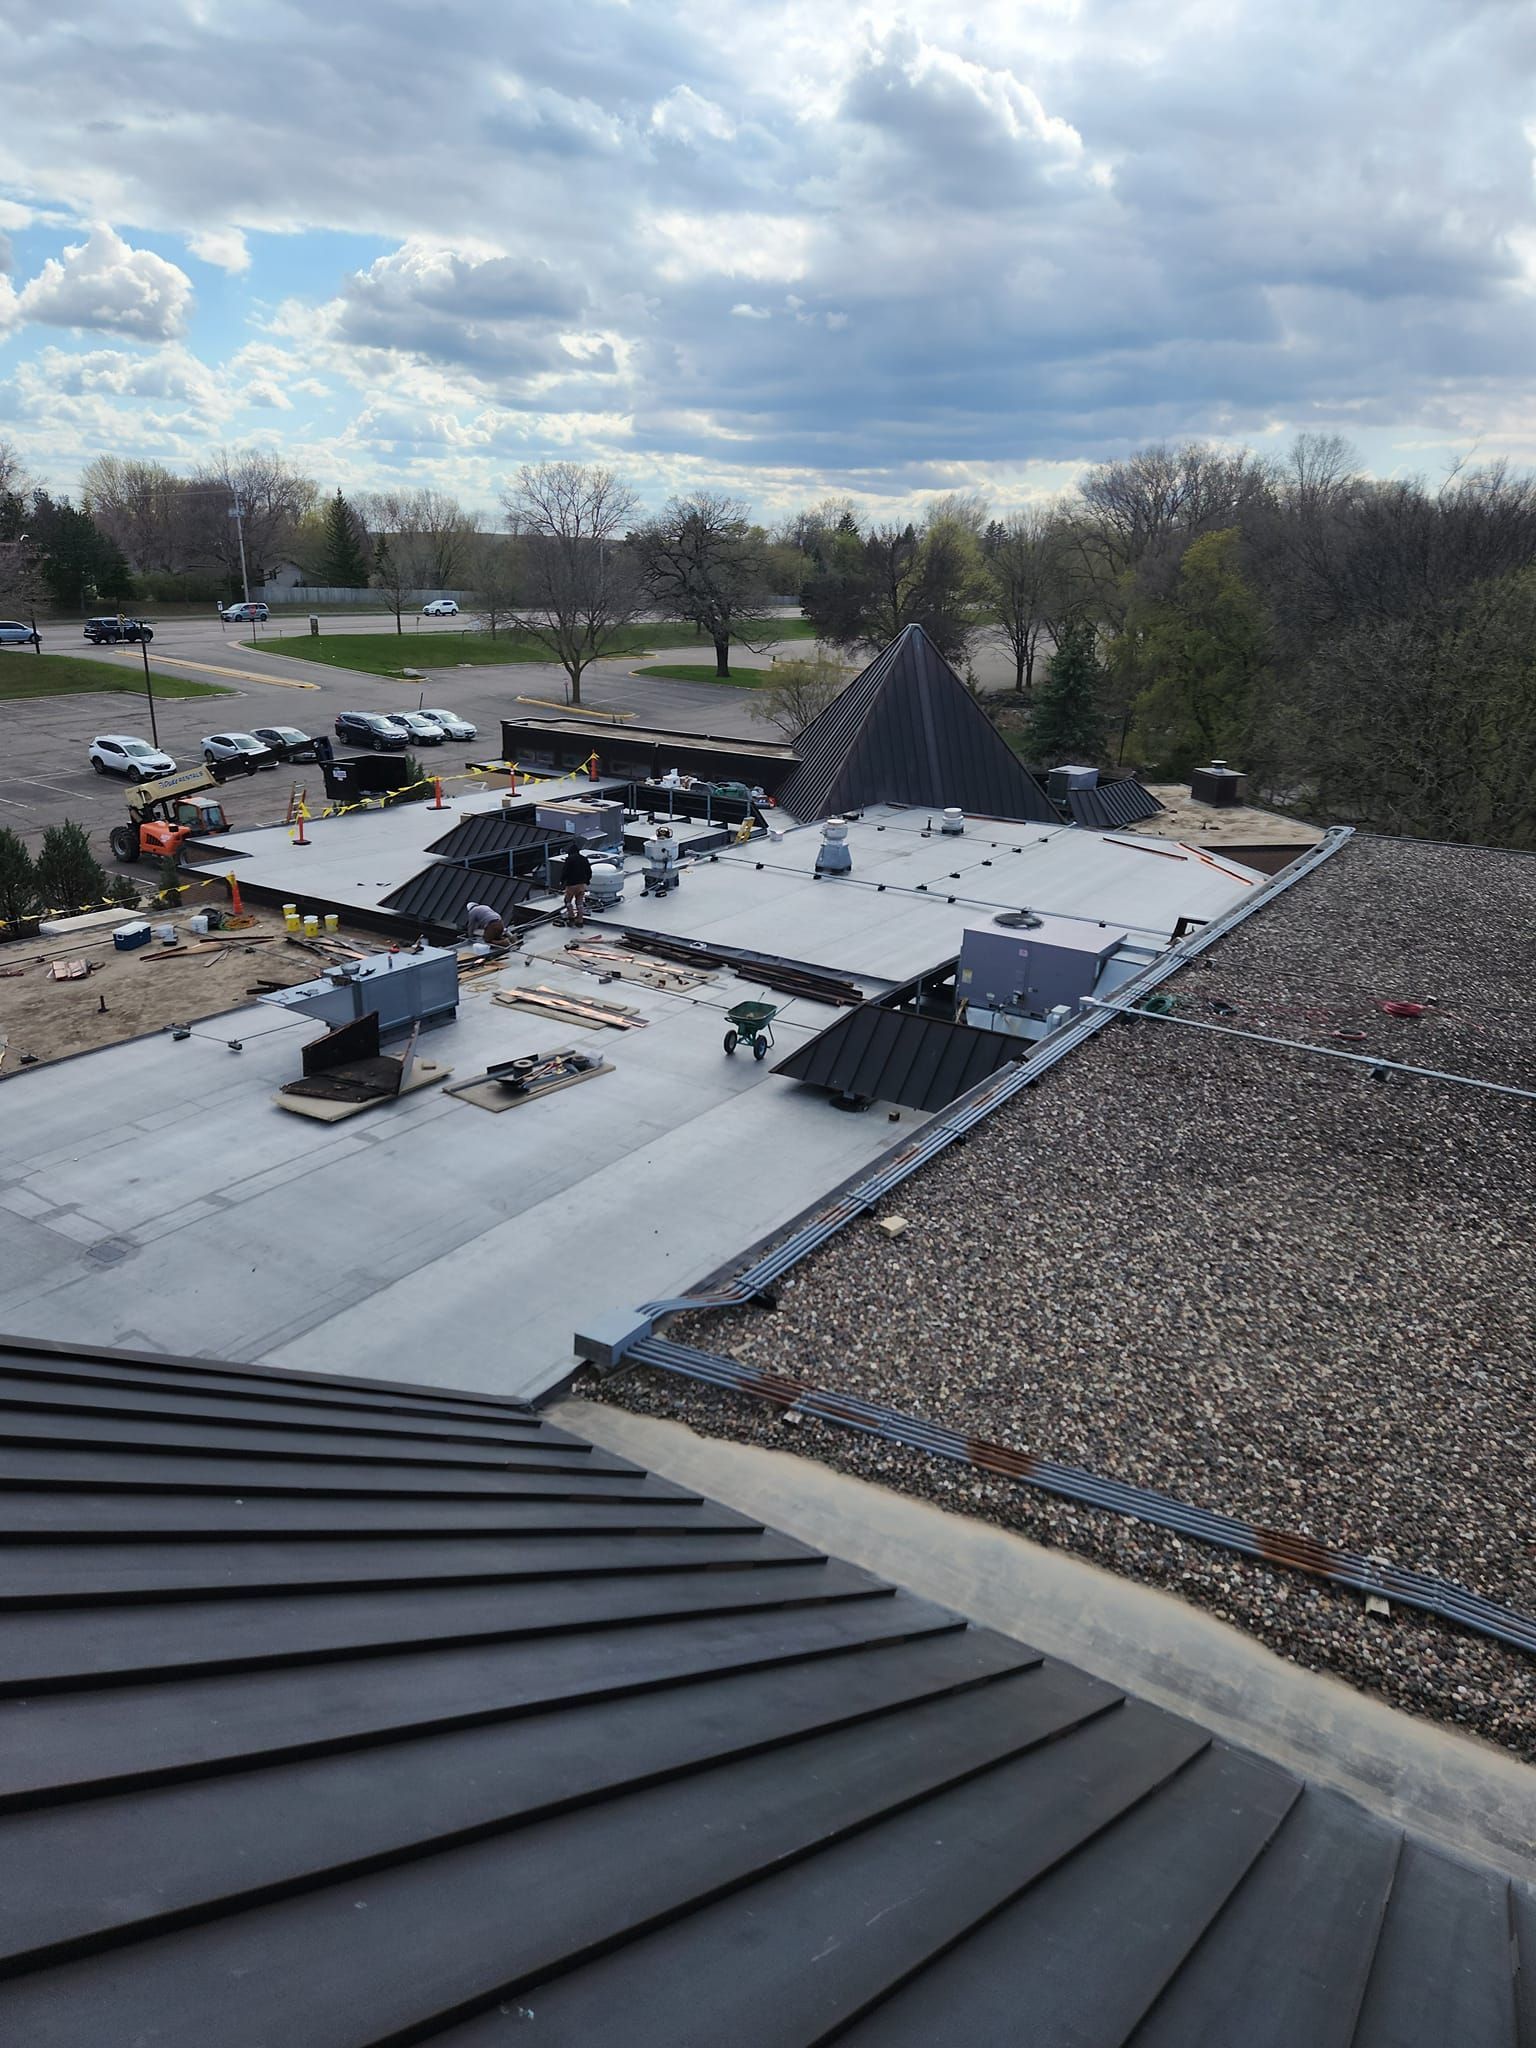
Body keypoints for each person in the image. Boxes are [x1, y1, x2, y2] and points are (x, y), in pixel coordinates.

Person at [561, 846, 593, 926]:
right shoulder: (584, 859)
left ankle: (571, 917)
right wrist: (587, 881)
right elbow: (589, 871)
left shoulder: (569, 859)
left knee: (567, 901)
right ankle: (580, 921)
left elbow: (565, 871)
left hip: (571, 885)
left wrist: (562, 881)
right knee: (579, 902)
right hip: (582, 884)